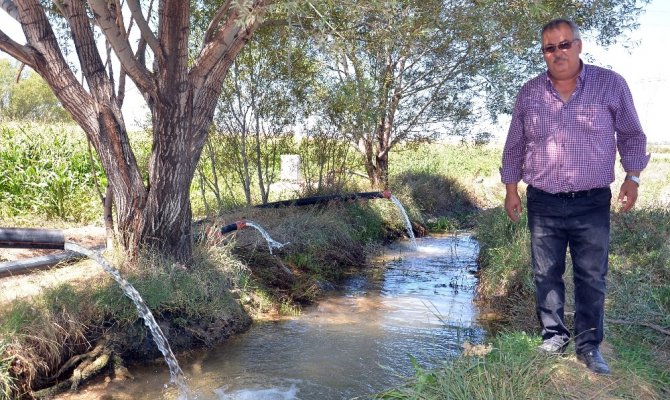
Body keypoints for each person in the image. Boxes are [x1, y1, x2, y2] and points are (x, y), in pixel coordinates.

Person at [500, 18, 649, 375]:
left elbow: (632, 134)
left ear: (579, 46)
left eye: (564, 44)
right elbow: (514, 145)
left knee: (591, 275)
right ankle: (554, 336)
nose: (557, 53)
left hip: (592, 200)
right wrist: (510, 189)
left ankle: (589, 346)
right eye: (549, 48)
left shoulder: (610, 84)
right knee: (545, 272)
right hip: (544, 200)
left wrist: (633, 177)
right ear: (544, 53)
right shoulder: (530, 92)